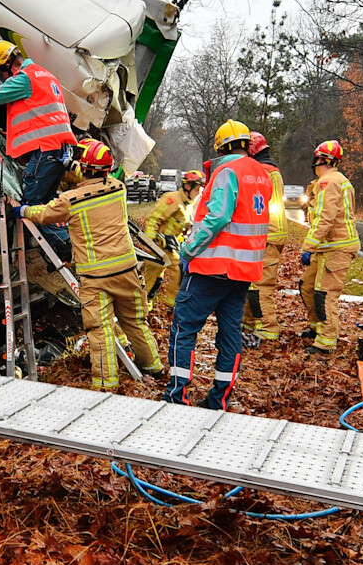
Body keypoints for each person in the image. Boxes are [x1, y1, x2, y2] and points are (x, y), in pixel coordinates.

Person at [16, 140, 164, 390]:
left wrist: (23, 210)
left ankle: (106, 384)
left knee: (100, 330)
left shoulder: (69, 200)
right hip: (128, 270)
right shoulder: (118, 188)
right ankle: (154, 368)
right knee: (135, 322)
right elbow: (94, 173)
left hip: (96, 278)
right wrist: (72, 163)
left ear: (83, 169)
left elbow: (44, 214)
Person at [163, 120, 270, 409]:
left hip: (211, 268)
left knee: (184, 329)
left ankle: (176, 396)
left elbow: (218, 217)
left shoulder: (226, 172)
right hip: (243, 272)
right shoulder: (262, 174)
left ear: (221, 146)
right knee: (230, 334)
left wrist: (188, 250)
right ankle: (219, 399)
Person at [0, 38, 79, 215]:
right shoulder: (47, 76)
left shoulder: (26, 78)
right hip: (60, 151)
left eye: (1, 72)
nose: (3, 77)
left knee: (31, 207)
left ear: (7, 64)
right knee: (44, 208)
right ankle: (59, 241)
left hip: (47, 150)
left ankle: (60, 242)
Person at [298, 140, 359, 354]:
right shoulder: (330, 181)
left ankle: (326, 341)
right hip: (328, 247)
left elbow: (326, 219)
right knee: (306, 286)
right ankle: (316, 327)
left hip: (337, 248)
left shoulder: (329, 182)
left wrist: (308, 247)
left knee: (325, 294)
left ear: (321, 159)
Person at [245, 132, 289, 346]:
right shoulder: (272, 169)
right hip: (271, 232)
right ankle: (248, 324)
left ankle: (267, 330)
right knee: (250, 283)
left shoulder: (261, 170)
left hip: (266, 234)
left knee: (259, 285)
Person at [141, 171, 204, 312]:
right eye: (197, 188)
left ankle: (144, 306)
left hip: (168, 247)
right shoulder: (172, 199)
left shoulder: (187, 205)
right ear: (188, 186)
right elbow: (154, 219)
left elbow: (179, 229)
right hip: (159, 245)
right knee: (177, 268)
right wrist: (149, 242)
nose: (199, 192)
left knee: (153, 279)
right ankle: (172, 304)